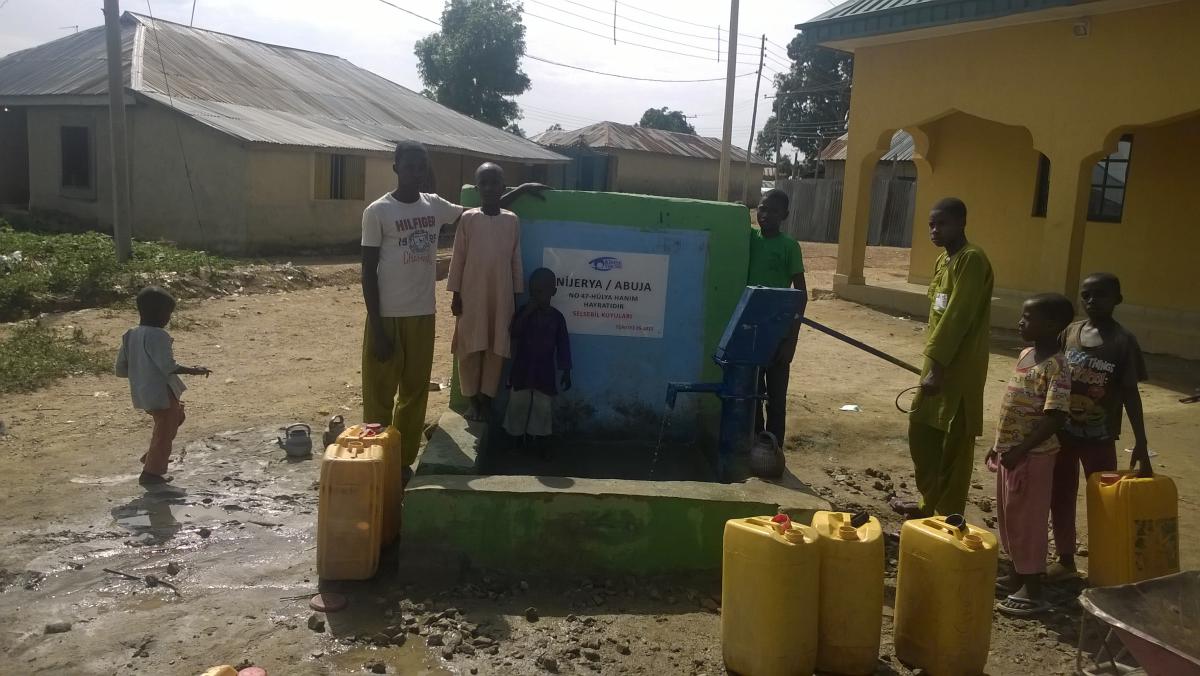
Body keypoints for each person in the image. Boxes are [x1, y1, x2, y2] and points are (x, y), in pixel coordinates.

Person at [360, 141, 545, 471]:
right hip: (386, 316)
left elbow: (484, 210)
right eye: (409, 166)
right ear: (396, 167)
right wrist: (376, 328)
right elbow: (367, 272)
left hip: (422, 313)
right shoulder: (378, 211)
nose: (416, 172)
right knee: (379, 393)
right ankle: (374, 462)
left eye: (421, 166)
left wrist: (520, 190)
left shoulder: (434, 206)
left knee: (415, 394)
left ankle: (401, 464)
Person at [896, 197, 994, 518]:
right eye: (931, 225)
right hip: (935, 363)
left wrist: (938, 368)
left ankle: (946, 517)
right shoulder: (943, 260)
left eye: (942, 224)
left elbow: (957, 317)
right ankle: (928, 502)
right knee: (922, 431)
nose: (935, 230)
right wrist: (932, 365)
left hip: (959, 369)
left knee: (954, 444)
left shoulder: (972, 260)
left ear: (961, 223)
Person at [1048, 272, 1150, 580]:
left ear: (1118, 300)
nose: (1092, 301)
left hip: (1100, 436)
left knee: (1105, 500)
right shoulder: (1069, 333)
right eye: (1086, 295)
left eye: (1101, 295)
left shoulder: (1123, 342)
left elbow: (1130, 393)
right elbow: (1050, 375)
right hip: (1063, 434)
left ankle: (1105, 564)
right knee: (1061, 494)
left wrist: (1142, 442)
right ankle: (1065, 559)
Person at [989, 293, 1074, 616]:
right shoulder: (1026, 355)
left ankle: (1033, 589)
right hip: (1011, 454)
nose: (1020, 322)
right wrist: (998, 444)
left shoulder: (1057, 366)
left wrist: (1021, 449)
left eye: (1028, 318)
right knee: (1010, 517)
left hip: (1033, 457)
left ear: (1051, 325)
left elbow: (1055, 417)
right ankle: (1017, 573)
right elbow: (1014, 404)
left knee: (1028, 522)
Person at [448, 163, 524, 422]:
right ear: (477, 187)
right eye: (484, 183)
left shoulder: (511, 220)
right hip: (470, 295)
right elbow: (458, 258)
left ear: (503, 187)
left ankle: (486, 400)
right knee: (469, 347)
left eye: (495, 183)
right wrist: (455, 294)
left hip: (501, 296)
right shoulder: (468, 219)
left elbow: (515, 260)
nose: (489, 188)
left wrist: (515, 297)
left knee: (496, 348)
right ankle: (471, 400)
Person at [114, 286, 210, 486]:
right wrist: (194, 370)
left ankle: (152, 457)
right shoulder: (159, 335)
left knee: (175, 419)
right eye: (168, 313)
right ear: (160, 313)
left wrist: (142, 373)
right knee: (165, 430)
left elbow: (121, 369)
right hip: (161, 392)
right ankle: (152, 473)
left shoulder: (130, 334)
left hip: (143, 392)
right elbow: (168, 366)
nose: (168, 318)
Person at [747, 188, 807, 447]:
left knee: (776, 397)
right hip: (750, 330)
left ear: (785, 215)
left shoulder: (789, 246)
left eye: (773, 211)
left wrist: (791, 341)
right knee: (752, 393)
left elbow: (801, 295)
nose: (765, 214)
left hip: (778, 332)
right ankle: (756, 444)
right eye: (762, 208)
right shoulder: (749, 238)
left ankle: (774, 449)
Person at [503, 268, 572, 455]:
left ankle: (539, 441)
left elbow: (563, 345)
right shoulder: (525, 312)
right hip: (522, 368)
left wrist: (566, 370)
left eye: (541, 291)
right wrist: (527, 312)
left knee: (543, 407)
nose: (536, 296)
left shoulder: (557, 318)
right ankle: (515, 439)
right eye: (533, 292)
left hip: (544, 370)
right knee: (517, 404)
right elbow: (514, 332)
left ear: (553, 292)